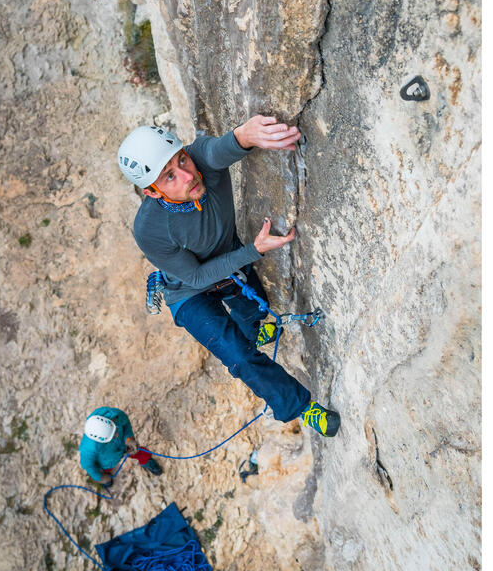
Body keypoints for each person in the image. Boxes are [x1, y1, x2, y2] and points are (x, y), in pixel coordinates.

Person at [116, 116, 340, 437]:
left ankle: (253, 333)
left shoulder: (200, 160)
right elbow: (195, 276)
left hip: (228, 263)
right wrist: (254, 250)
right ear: (151, 192)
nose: (187, 175)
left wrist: (247, 134)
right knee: (239, 356)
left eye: (181, 159)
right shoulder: (149, 230)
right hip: (188, 293)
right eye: (169, 176)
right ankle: (302, 407)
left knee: (257, 311)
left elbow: (225, 145)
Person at [79, 407, 162, 487]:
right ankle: (106, 478)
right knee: (106, 470)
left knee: (139, 451)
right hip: (107, 461)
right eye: (112, 436)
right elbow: (88, 465)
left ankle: (146, 461)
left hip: (123, 445)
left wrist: (129, 439)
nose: (117, 434)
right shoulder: (88, 449)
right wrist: (100, 478)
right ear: (101, 440)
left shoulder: (114, 415)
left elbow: (125, 423)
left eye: (115, 430)